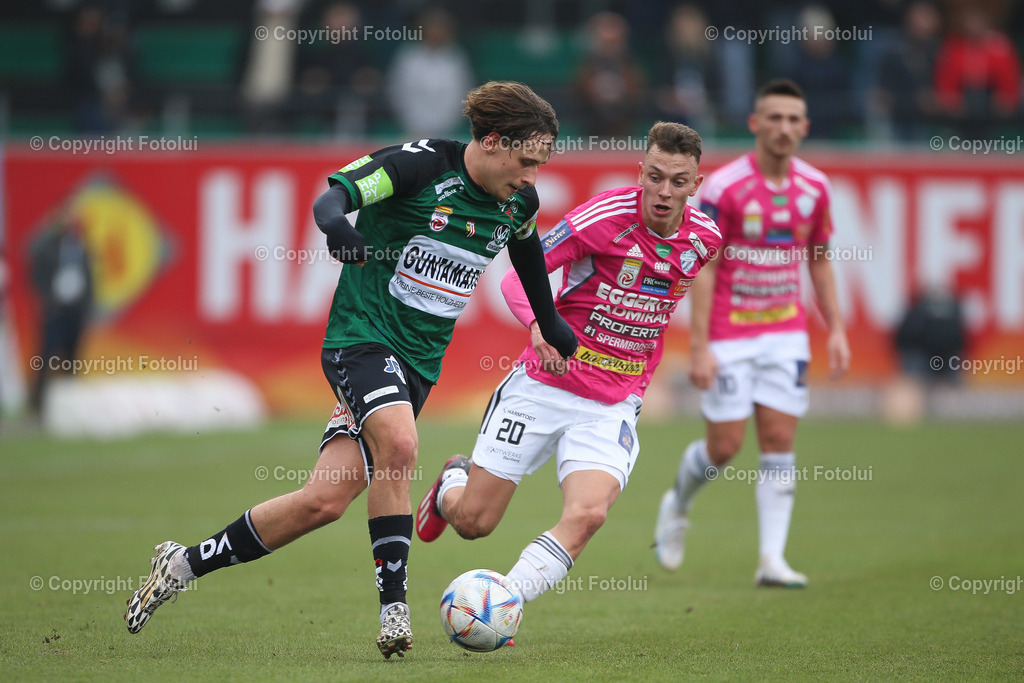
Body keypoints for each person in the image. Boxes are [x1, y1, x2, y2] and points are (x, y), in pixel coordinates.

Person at [124, 81, 578, 659]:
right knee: (401, 446)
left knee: (323, 500)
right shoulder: (419, 166)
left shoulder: (518, 203)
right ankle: (394, 613)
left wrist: (548, 319)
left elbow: (525, 249)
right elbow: (333, 198)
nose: (533, 176)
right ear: (491, 142)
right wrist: (338, 226)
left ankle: (182, 564)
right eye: (526, 161)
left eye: (541, 165)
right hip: (359, 339)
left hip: (417, 365)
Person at [416, 122, 723, 614]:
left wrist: (687, 355)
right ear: (640, 173)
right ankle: (452, 481)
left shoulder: (705, 239)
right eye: (655, 177)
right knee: (474, 522)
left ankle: (503, 605)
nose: (664, 191)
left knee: (588, 514)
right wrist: (539, 326)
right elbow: (517, 278)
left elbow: (671, 301)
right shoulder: (602, 218)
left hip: (613, 402)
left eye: (678, 181)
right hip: (544, 385)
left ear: (696, 185)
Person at [653, 79, 851, 587]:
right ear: (755, 123)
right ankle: (678, 502)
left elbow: (819, 257)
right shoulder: (725, 188)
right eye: (774, 117)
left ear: (805, 128)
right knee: (724, 446)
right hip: (730, 333)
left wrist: (835, 328)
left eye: (793, 119)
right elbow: (706, 265)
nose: (784, 127)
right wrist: (699, 347)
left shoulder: (816, 187)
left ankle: (771, 560)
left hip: (786, 331)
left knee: (780, 439)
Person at [29, 205, 93, 416]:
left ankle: (69, 404)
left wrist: (87, 306)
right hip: (56, 309)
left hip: (75, 309)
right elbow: (37, 274)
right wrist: (47, 300)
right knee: (47, 354)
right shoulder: (48, 246)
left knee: (72, 356)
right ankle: (37, 401)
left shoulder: (81, 246)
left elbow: (89, 279)